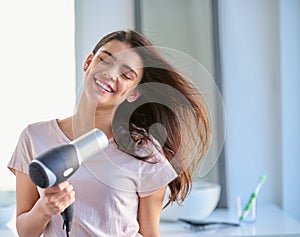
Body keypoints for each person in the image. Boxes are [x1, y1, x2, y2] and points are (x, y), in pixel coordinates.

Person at [8, 30, 211, 237]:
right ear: (88, 62)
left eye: (126, 75)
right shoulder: (34, 137)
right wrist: (44, 208)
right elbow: (25, 232)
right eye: (105, 60)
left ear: (133, 93)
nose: (111, 74)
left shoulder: (144, 150)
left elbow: (150, 233)